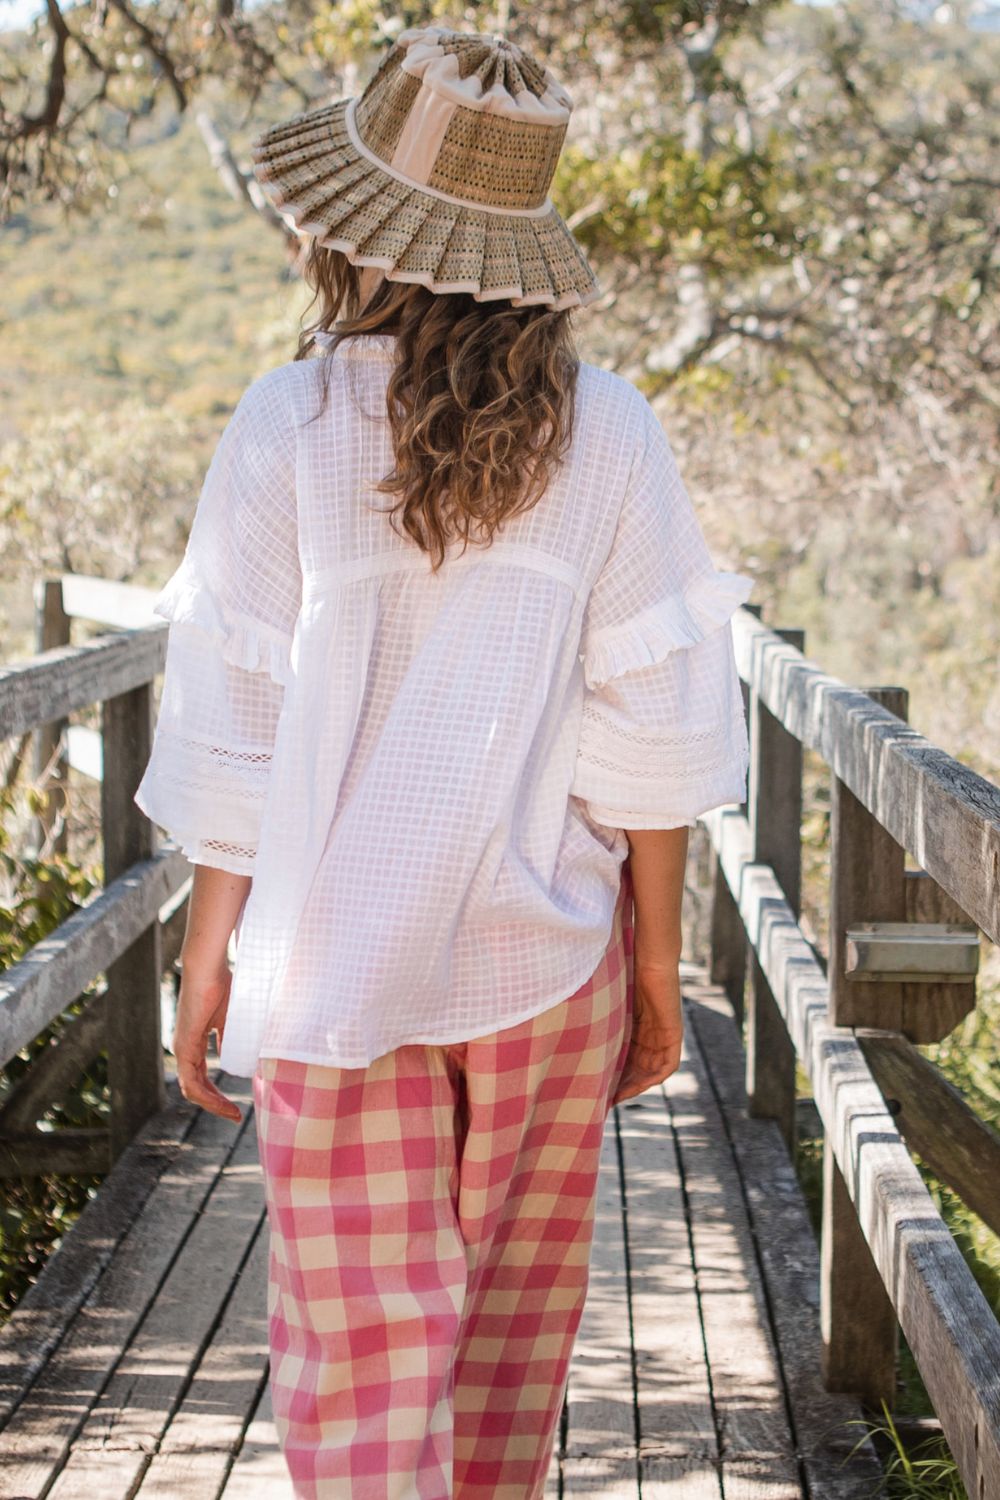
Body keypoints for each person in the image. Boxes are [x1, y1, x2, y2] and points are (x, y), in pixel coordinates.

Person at [134, 22, 754, 1499]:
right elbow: (648, 741)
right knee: (504, 1367)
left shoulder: (286, 428)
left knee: (360, 1378)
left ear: (357, 225)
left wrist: (210, 952)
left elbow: (238, 724)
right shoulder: (612, 436)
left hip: (339, 968)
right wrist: (657, 970)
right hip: (545, 966)